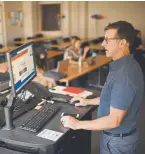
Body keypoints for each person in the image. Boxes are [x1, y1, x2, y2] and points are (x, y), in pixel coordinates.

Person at [61, 21, 144, 154]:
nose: (102, 44)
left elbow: (114, 120)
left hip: (117, 143)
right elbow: (111, 96)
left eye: (107, 40)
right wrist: (87, 101)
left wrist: (77, 125)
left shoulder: (125, 75)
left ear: (122, 43)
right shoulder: (121, 65)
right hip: (115, 138)